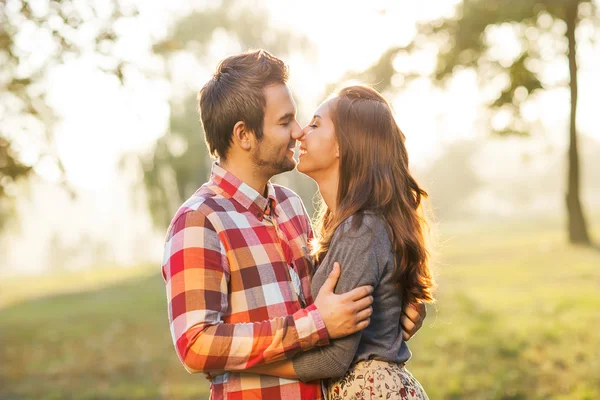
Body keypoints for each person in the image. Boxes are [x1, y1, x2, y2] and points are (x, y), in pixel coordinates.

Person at [161, 50, 426, 400]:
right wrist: (314, 324)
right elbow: (195, 344)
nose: (298, 130)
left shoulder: (291, 207)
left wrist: (392, 306)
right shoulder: (200, 220)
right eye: (285, 121)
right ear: (244, 135)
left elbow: (340, 292)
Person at [242, 85, 434, 399]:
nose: (301, 132)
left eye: (315, 124)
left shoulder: (361, 230)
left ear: (342, 146)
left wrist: (242, 365)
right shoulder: (346, 226)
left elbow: (334, 358)